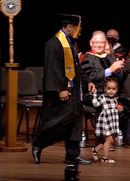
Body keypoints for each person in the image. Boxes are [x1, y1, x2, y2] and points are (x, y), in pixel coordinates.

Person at [32, 15, 94, 165]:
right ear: (70, 28)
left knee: (76, 120)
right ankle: (39, 143)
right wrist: (60, 89)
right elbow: (53, 69)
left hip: (74, 92)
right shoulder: (53, 44)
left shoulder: (70, 44)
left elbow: (76, 67)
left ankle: (72, 155)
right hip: (60, 93)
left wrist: (88, 82)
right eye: (78, 29)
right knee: (60, 122)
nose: (80, 32)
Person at [81, 31, 130, 150]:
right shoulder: (87, 59)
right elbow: (91, 77)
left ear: (105, 43)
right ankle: (105, 141)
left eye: (101, 42)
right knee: (108, 107)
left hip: (114, 93)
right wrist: (110, 70)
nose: (99, 45)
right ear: (91, 43)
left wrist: (119, 71)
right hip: (95, 94)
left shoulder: (111, 57)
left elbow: (120, 79)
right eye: (96, 42)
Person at [91, 77, 121, 164]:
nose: (111, 91)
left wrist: (119, 109)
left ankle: (95, 150)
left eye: (113, 89)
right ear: (105, 89)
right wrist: (95, 94)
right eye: (109, 89)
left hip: (112, 121)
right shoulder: (103, 97)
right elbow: (95, 104)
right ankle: (105, 158)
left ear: (117, 90)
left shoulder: (115, 99)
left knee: (111, 140)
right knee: (108, 140)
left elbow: (115, 109)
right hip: (106, 121)